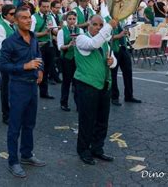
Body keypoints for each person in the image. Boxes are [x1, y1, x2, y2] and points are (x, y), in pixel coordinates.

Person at [0, 7, 46, 178]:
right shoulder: (10, 42)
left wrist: (40, 69)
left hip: (32, 86)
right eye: (25, 18)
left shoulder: (33, 37)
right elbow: (2, 66)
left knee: (29, 123)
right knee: (15, 126)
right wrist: (24, 66)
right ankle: (13, 161)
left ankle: (26, 155)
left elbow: (38, 54)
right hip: (18, 86)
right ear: (17, 21)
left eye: (30, 18)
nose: (29, 20)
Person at [74, 15, 117, 165]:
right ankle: (83, 150)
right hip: (87, 85)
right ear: (88, 25)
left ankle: (97, 149)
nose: (98, 27)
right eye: (95, 24)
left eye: (101, 25)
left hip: (104, 85)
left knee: (102, 121)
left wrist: (112, 62)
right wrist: (109, 26)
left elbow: (112, 59)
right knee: (87, 120)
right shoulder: (81, 38)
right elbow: (93, 44)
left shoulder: (103, 40)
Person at [31, 0, 57, 99]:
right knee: (37, 69)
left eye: (48, 7)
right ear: (39, 6)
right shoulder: (33, 17)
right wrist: (44, 33)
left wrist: (60, 30)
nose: (46, 9)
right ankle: (33, 91)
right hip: (38, 46)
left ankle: (44, 92)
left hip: (49, 45)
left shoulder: (51, 17)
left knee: (46, 69)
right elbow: (31, 33)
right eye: (44, 7)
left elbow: (54, 30)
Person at [110, 22, 141, 106]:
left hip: (123, 48)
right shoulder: (107, 19)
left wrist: (127, 32)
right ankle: (114, 97)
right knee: (113, 74)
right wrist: (119, 35)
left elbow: (123, 34)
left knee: (128, 72)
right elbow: (106, 37)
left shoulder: (121, 20)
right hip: (114, 49)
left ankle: (129, 95)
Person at [0, 4, 16, 124]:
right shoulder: (0, 28)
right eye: (12, 14)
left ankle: (14, 111)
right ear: (5, 15)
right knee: (6, 88)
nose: (14, 16)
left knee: (15, 88)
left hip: (16, 60)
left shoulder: (15, 26)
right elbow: (3, 46)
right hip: (6, 61)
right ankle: (5, 114)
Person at [57, 11, 82, 111]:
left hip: (77, 59)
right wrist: (69, 45)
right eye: (70, 19)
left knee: (77, 82)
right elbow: (60, 46)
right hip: (66, 58)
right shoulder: (62, 31)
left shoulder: (79, 30)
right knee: (66, 82)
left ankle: (79, 105)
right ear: (66, 20)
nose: (72, 21)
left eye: (73, 19)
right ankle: (64, 103)